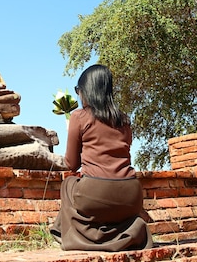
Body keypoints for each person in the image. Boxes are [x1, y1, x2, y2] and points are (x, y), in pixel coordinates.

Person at [50, 64, 152, 251]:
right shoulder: (124, 120)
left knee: (68, 184)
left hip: (96, 193)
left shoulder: (79, 117)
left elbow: (71, 164)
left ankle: (76, 236)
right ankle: (128, 232)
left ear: (86, 91)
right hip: (131, 195)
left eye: (78, 91)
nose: (79, 96)